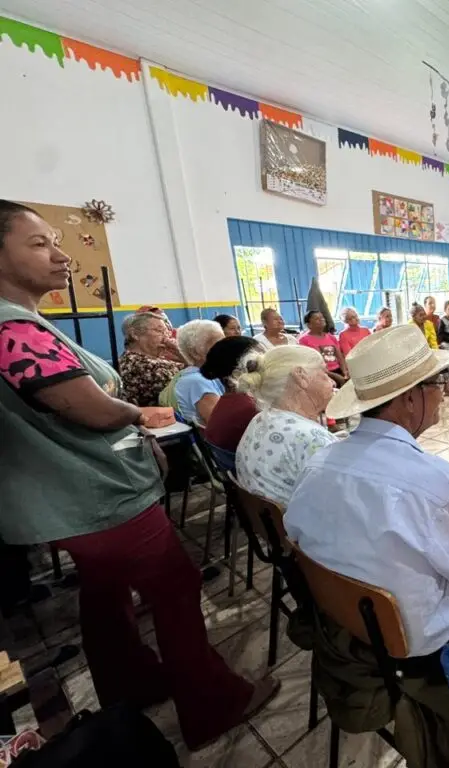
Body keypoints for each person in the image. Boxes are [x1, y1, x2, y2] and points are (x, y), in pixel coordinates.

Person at [0, 200, 277, 751]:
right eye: (38, 243)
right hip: (95, 495)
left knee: (105, 597)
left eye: (56, 241)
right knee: (175, 589)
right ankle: (211, 704)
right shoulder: (13, 329)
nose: (60, 255)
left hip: (70, 501)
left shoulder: (23, 322)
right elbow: (89, 407)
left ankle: (132, 684)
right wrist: (136, 414)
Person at [287, 325, 449, 768]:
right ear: (408, 399)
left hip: (350, 624)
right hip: (424, 649)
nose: (442, 393)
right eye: (436, 383)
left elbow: (299, 532)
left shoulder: (318, 462)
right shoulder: (430, 481)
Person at [235, 346, 338, 507]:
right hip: (302, 520)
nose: (332, 381)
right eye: (324, 373)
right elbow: (343, 500)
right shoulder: (310, 438)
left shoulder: (261, 419)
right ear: (301, 376)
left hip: (274, 518)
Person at [201, 335, 264, 471]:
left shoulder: (230, 401)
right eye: (261, 360)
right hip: (250, 475)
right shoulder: (250, 408)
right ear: (245, 369)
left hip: (239, 473)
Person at [118, 312, 184, 407]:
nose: (166, 337)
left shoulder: (159, 358)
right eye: (159, 330)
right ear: (135, 334)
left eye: (167, 332)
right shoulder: (139, 364)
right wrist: (183, 354)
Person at [172, 319, 225, 425]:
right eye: (219, 345)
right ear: (195, 353)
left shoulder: (198, 375)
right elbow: (220, 425)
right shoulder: (198, 382)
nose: (226, 348)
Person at [299, 309, 348, 387]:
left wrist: (345, 372)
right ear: (309, 325)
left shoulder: (331, 337)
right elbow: (313, 364)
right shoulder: (304, 340)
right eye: (317, 319)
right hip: (321, 374)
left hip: (338, 370)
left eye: (322, 317)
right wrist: (335, 376)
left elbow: (340, 357)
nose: (322, 319)